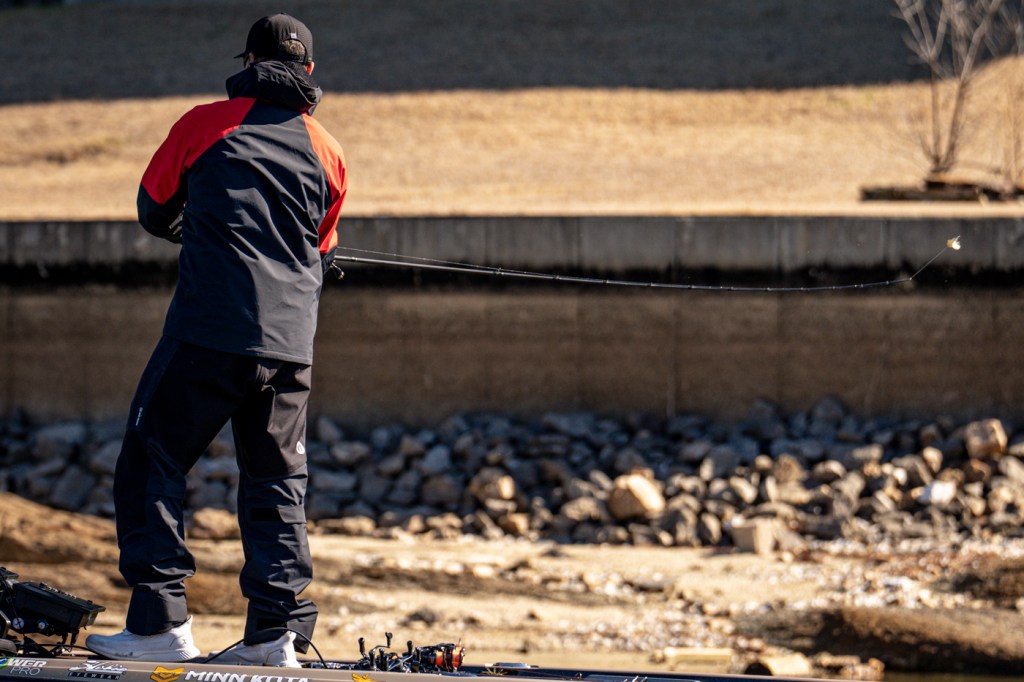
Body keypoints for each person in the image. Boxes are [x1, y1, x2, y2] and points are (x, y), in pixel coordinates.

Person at [86, 13, 347, 667]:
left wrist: (193, 223)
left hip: (209, 332)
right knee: (277, 482)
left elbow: (153, 208)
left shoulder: (204, 124)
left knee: (151, 461)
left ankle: (159, 623)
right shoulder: (329, 150)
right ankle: (274, 637)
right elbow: (322, 249)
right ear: (309, 72)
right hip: (290, 349)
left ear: (249, 62)